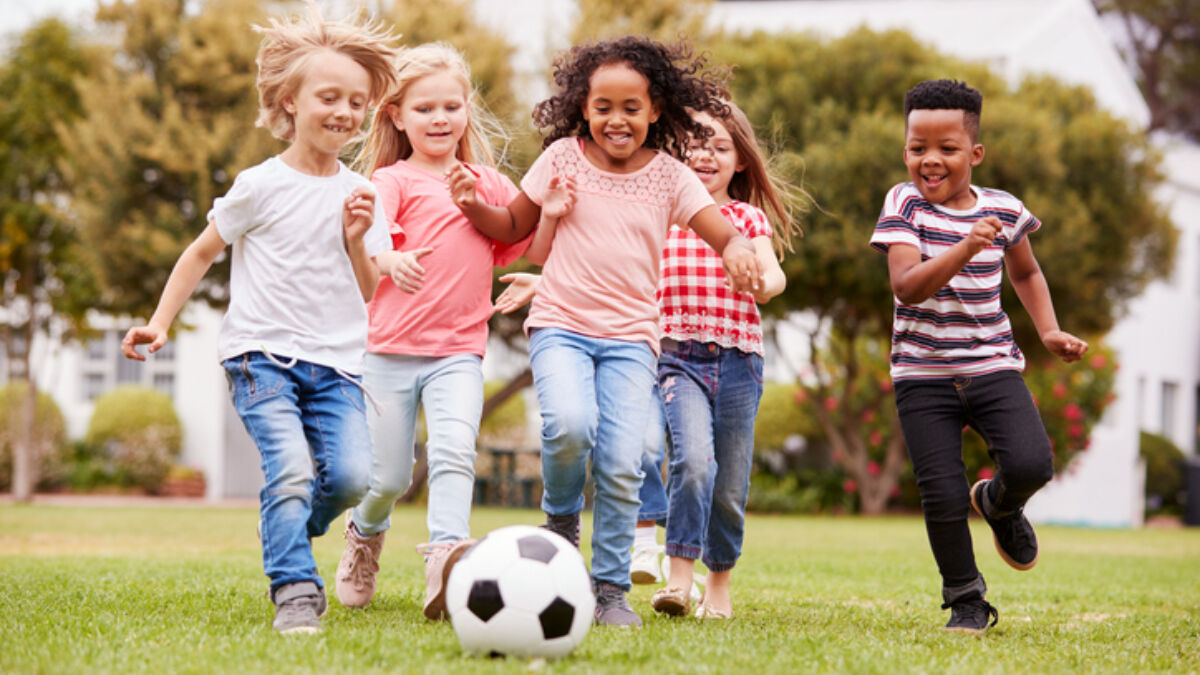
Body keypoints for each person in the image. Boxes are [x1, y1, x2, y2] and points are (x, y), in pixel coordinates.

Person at [451, 36, 764, 627]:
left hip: (631, 340)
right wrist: (472, 207)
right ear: (582, 108)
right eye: (602, 107)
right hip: (562, 326)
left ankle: (611, 588)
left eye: (630, 108)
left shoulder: (671, 177)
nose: (616, 120)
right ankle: (562, 520)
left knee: (623, 463)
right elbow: (513, 224)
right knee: (570, 427)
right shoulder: (562, 159)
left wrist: (740, 248)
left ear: (655, 110)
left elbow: (718, 229)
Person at [120, 5, 399, 634]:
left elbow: (369, 292)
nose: (345, 112)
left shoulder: (361, 195)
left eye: (357, 102)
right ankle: (296, 589)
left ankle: (285, 526)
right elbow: (199, 253)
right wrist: (160, 322)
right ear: (289, 102)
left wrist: (357, 239)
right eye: (329, 96)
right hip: (260, 358)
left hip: (337, 366)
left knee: (352, 477)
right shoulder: (259, 185)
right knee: (292, 469)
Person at [869, 79, 1088, 634]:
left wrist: (1049, 330)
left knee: (1032, 463)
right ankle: (966, 601)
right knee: (940, 493)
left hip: (992, 365)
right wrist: (965, 246)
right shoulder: (903, 203)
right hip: (922, 374)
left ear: (975, 153)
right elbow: (907, 286)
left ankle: (999, 503)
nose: (930, 160)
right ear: (905, 151)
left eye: (946, 148)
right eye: (918, 147)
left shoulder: (1005, 208)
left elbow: (1027, 271)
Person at [333, 43, 529, 620]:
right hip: (388, 353)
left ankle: (446, 561)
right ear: (397, 115)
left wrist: (557, 207)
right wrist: (388, 259)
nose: (439, 119)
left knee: (452, 452)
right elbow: (372, 233)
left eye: (451, 106)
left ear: (466, 109)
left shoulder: (487, 184)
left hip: (458, 354)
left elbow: (519, 239)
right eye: (424, 109)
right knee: (388, 475)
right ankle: (364, 536)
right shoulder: (391, 179)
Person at [647, 102, 798, 621]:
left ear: (739, 161)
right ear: (673, 149)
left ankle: (718, 586)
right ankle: (678, 580)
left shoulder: (745, 218)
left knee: (730, 486)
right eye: (694, 142)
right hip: (677, 357)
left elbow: (773, 274)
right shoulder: (659, 212)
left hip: (739, 361)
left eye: (720, 146)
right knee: (693, 464)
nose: (705, 154)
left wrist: (763, 281)